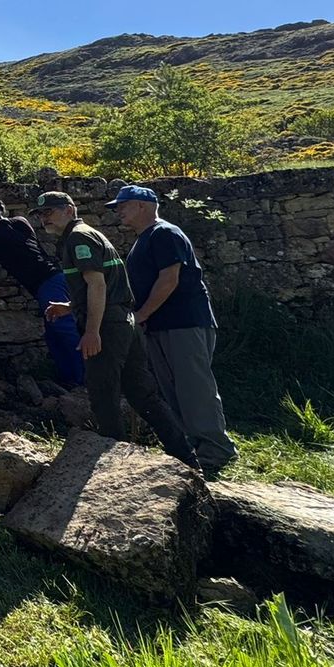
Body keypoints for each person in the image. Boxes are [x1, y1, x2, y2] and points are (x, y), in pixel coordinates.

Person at [35, 191, 201, 467]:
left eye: (49, 212)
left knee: (104, 395)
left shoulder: (78, 238)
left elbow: (97, 285)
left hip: (108, 326)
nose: (43, 219)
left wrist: (92, 331)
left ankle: (114, 466)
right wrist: (69, 305)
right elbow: (104, 285)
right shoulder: (85, 234)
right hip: (125, 322)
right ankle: (185, 456)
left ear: (69, 210)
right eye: (40, 215)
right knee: (142, 393)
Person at [114, 185, 238, 475]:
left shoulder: (164, 234)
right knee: (174, 390)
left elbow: (169, 279)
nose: (118, 211)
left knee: (194, 388)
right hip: (161, 325)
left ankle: (216, 451)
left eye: (123, 205)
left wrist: (141, 315)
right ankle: (195, 450)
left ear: (144, 205)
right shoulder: (144, 239)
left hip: (184, 322)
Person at [0, 199, 84, 390]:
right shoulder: (20, 222)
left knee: (64, 331)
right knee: (54, 334)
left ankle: (83, 379)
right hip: (57, 277)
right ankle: (70, 378)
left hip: (46, 285)